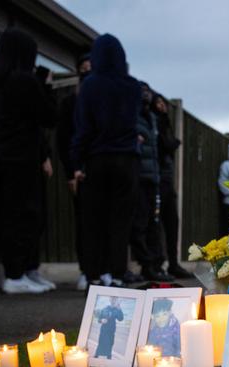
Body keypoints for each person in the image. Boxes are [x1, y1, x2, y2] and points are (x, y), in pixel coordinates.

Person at [0, 29, 57, 294]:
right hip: (22, 158)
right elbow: (47, 116)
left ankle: (24, 272)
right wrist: (45, 84)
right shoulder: (24, 81)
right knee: (28, 216)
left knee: (11, 216)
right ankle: (17, 274)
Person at [70, 33, 141, 288]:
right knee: (121, 221)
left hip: (97, 158)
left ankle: (93, 274)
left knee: (93, 219)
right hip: (127, 159)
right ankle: (118, 274)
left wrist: (77, 163)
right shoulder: (133, 86)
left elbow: (82, 128)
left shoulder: (90, 85)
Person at [56, 53, 91, 290]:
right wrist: (72, 171)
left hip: (100, 168)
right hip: (80, 171)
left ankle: (107, 270)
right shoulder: (70, 103)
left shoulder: (104, 101)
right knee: (85, 223)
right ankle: (86, 270)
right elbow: (64, 138)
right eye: (83, 69)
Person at [129, 82, 170, 282]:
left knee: (153, 224)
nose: (146, 95)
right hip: (139, 178)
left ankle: (154, 263)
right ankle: (146, 264)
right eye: (142, 92)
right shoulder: (133, 117)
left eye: (148, 92)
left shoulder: (151, 118)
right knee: (140, 223)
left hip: (153, 178)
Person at [151, 92, 193, 279]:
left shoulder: (165, 123)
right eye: (158, 103)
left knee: (172, 223)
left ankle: (173, 263)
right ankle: (157, 264)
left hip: (167, 179)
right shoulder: (154, 124)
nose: (162, 106)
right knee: (156, 224)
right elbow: (166, 145)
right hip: (156, 180)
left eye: (163, 103)